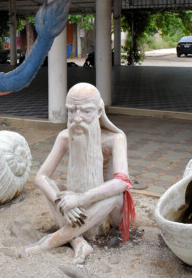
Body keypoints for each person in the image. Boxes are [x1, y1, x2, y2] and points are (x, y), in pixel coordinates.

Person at [23, 83, 135, 264]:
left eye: (86, 112)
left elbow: (122, 183)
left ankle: (49, 243)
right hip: (76, 206)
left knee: (114, 196)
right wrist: (64, 201)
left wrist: (81, 199)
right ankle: (78, 242)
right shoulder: (65, 137)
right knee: (54, 188)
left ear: (99, 112)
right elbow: (41, 177)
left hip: (109, 211)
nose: (77, 118)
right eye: (71, 111)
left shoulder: (115, 139)